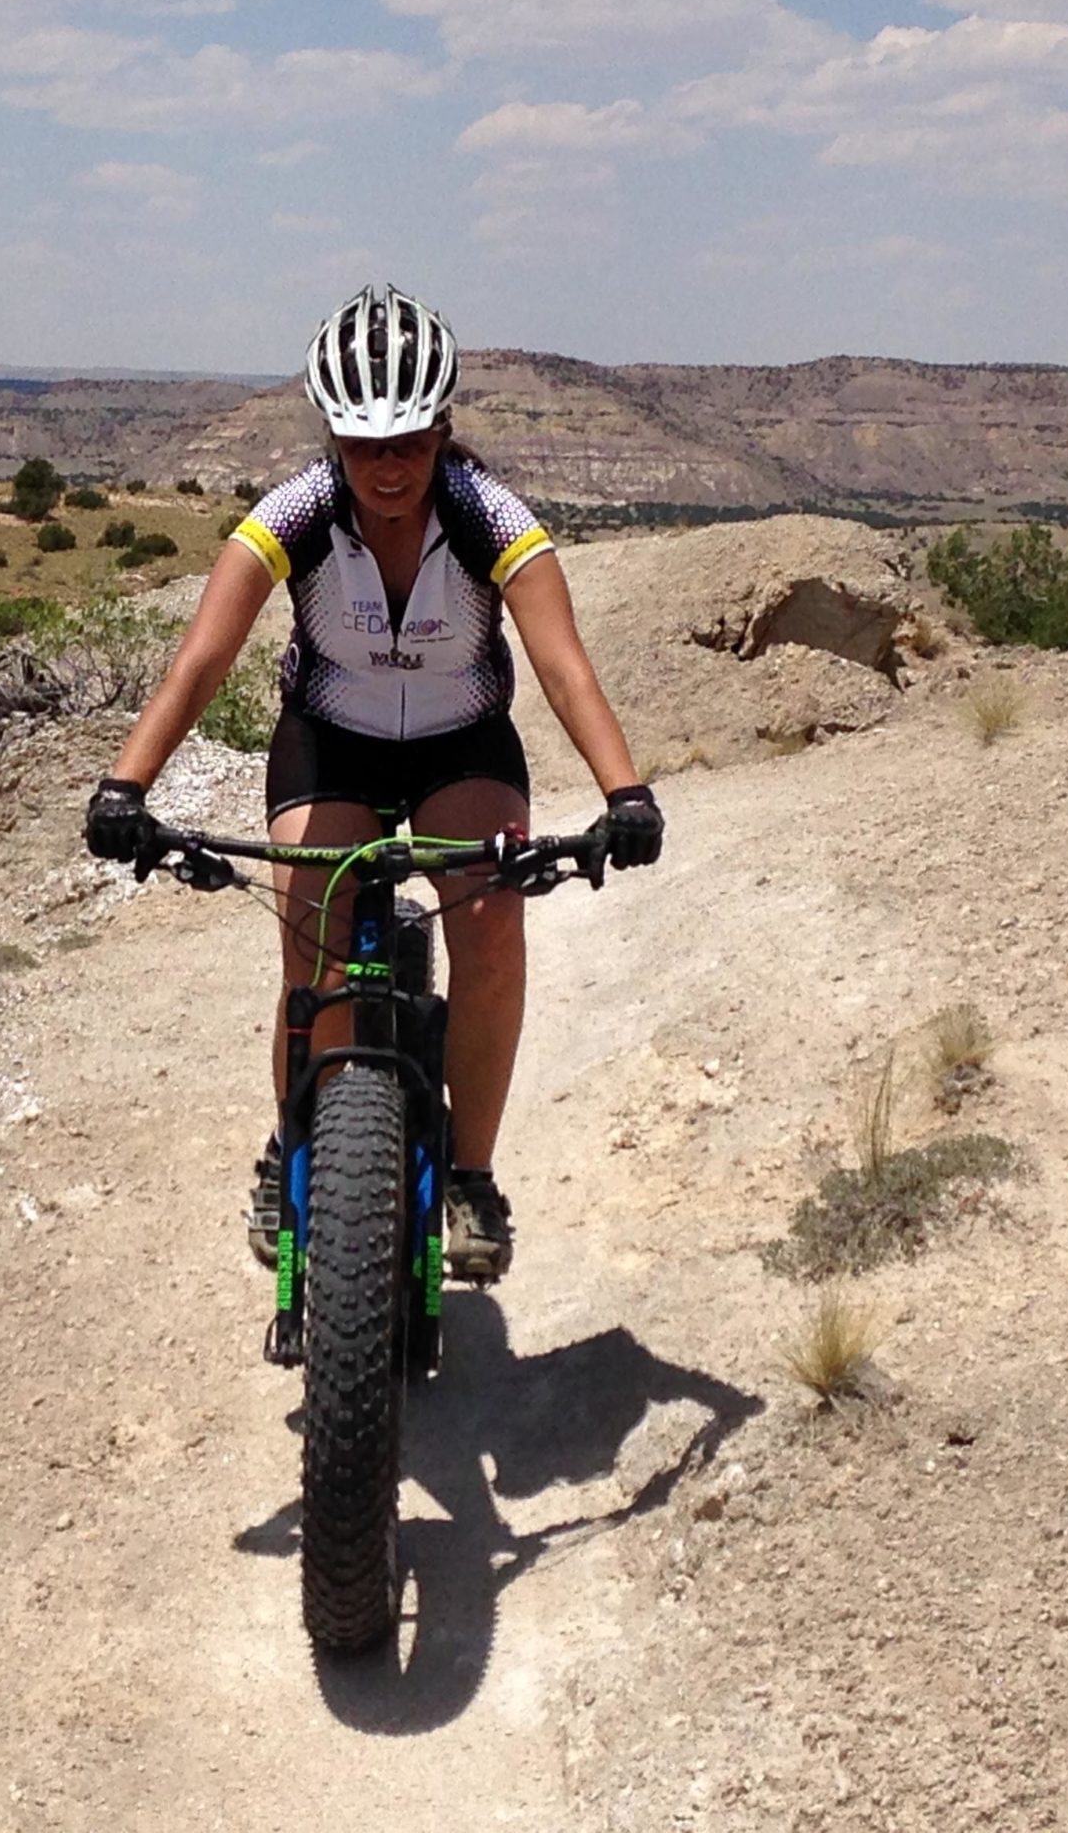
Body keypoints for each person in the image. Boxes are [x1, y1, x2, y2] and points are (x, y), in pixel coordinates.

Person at [83, 284, 661, 1283]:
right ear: (331, 440)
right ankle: (290, 1150)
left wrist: (625, 794)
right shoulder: (293, 515)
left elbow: (564, 665)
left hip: (459, 743)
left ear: (443, 432)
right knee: (311, 937)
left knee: (489, 928)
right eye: (360, 446)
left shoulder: (490, 518)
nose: (386, 467)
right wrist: (124, 787)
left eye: (408, 443)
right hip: (332, 740)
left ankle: (472, 1178)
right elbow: (198, 663)